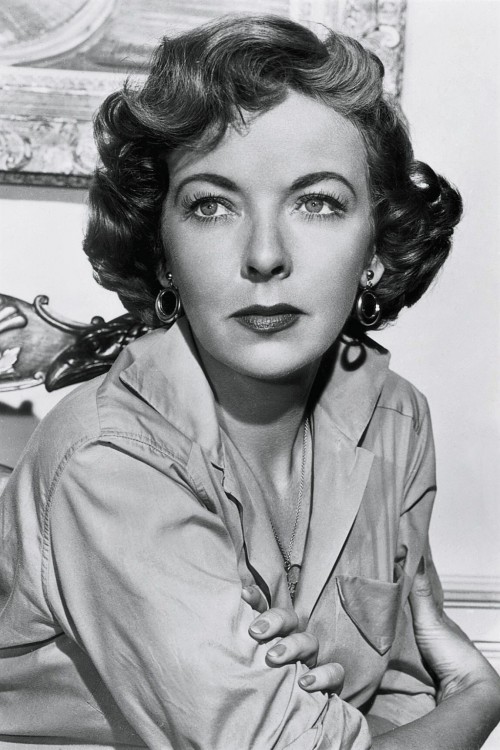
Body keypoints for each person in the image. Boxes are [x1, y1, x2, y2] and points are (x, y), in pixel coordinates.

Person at [0, 14, 499, 750]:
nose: (265, 255)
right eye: (212, 205)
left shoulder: (395, 419)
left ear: (376, 245)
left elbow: (401, 691)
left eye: (318, 202)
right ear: (162, 253)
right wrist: (480, 700)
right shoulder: (108, 460)